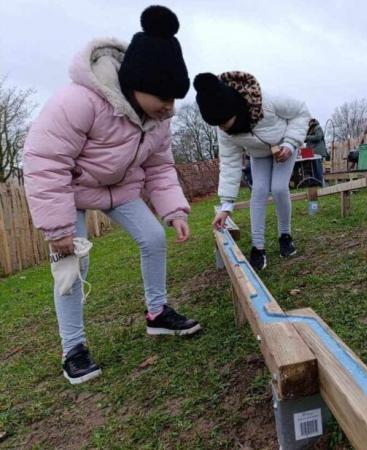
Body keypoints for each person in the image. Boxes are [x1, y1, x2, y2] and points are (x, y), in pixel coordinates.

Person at [22, 6, 201, 385]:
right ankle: (74, 349)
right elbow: (44, 161)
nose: (171, 107)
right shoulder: (79, 101)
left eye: (175, 99)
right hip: (70, 190)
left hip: (118, 189)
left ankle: (157, 315)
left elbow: (160, 168)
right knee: (72, 268)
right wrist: (57, 229)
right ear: (137, 83)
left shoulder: (159, 121)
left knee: (154, 238)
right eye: (164, 97)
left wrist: (174, 211)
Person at [194, 72, 311, 271]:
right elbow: (230, 163)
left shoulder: (266, 101)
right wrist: (226, 205)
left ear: (237, 109)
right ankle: (258, 247)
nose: (224, 129)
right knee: (259, 191)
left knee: (279, 188)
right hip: (259, 154)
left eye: (227, 123)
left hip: (284, 146)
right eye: (220, 126)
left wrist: (291, 144)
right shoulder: (223, 130)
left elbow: (301, 111)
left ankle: (285, 237)